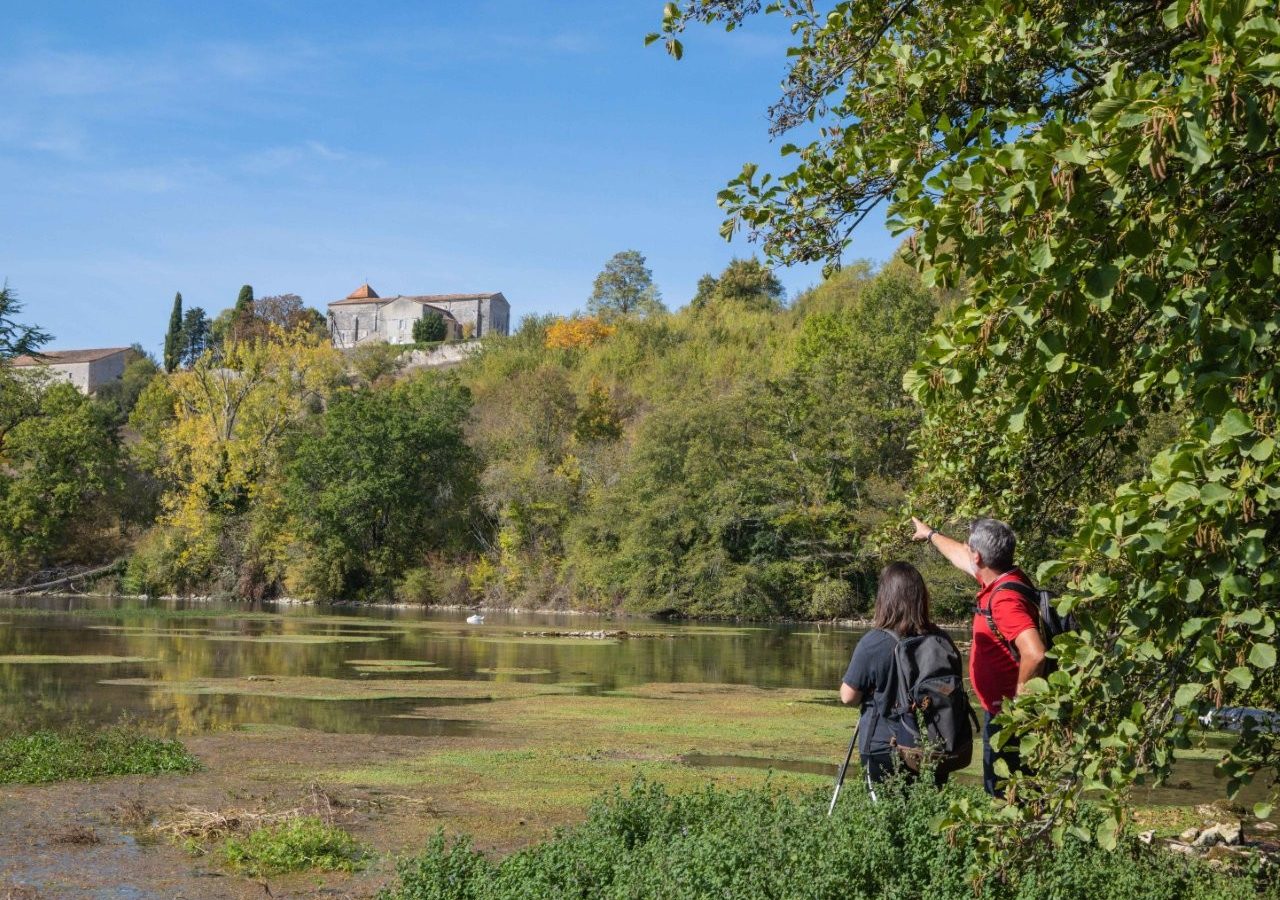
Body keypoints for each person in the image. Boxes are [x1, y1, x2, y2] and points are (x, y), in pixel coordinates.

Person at [910, 515, 1045, 797]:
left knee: (1005, 795)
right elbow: (960, 555)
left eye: (969, 547)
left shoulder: (1005, 600)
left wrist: (1018, 704)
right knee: (1017, 792)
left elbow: (1035, 654)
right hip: (1003, 714)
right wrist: (931, 534)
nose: (965, 550)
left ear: (979, 556)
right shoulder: (1003, 576)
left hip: (1010, 719)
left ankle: (1015, 839)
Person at [839, 561, 950, 788]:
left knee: (886, 816)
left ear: (885, 598)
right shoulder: (941, 640)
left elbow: (848, 696)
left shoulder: (874, 642)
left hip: (886, 746)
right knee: (928, 815)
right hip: (935, 745)